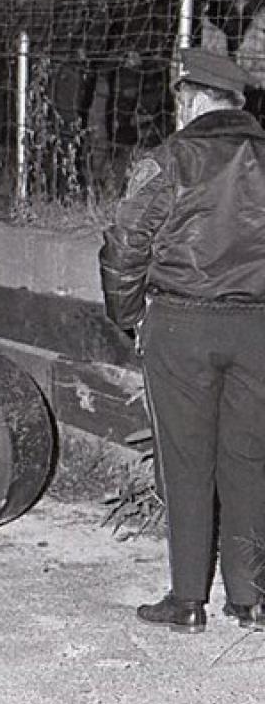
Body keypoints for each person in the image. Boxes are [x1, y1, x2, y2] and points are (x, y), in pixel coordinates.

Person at [100, 47, 265, 633]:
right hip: (258, 328)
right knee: (250, 462)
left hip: (182, 323)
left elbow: (125, 245)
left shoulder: (168, 159)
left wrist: (129, 317)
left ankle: (188, 600)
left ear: (193, 100)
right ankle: (251, 599)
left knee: (186, 462)